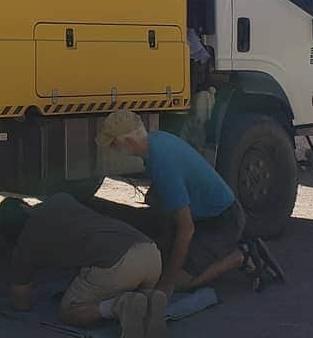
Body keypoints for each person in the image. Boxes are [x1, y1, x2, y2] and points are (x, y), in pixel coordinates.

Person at [98, 110, 245, 297]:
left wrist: (167, 283)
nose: (112, 148)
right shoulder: (155, 141)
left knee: (180, 282)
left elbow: (187, 229)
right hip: (206, 212)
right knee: (162, 252)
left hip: (223, 221)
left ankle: (235, 257)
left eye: (113, 143)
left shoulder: (162, 164)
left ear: (128, 141)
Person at [0, 193, 167, 338]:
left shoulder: (24, 248)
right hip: (151, 252)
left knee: (68, 313)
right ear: (25, 207)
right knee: (122, 284)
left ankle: (119, 306)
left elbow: (21, 303)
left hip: (119, 265)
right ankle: (149, 298)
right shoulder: (59, 199)